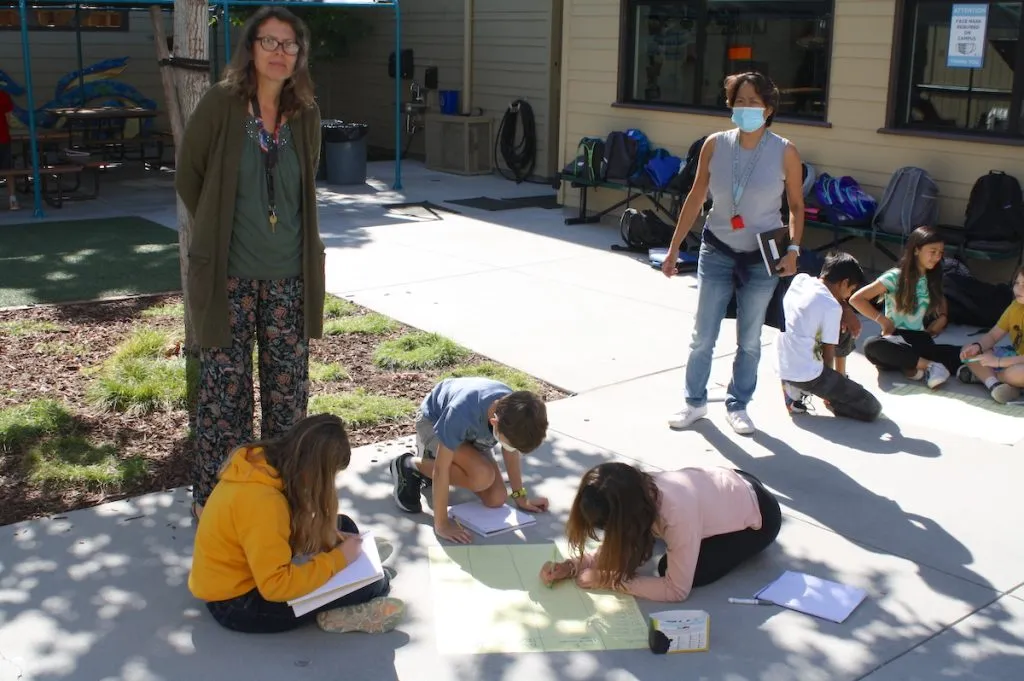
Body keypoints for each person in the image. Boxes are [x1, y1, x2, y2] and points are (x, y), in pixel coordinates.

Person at [175, 6, 327, 522]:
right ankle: (216, 503)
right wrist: (218, 226)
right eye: (270, 42)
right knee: (225, 398)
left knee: (288, 399)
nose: (280, 53)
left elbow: (304, 183)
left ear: (299, 55)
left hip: (290, 279)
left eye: (290, 44)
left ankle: (282, 499)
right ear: (251, 48)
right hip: (229, 279)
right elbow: (189, 174)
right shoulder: (222, 104)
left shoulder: (305, 113)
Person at [660, 71, 813, 436]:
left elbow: (796, 205)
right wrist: (674, 247)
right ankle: (694, 402)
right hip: (717, 249)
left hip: (761, 256)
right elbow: (696, 196)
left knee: (749, 340)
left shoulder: (785, 151)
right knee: (703, 335)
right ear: (730, 105)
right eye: (739, 101)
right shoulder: (715, 144)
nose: (746, 108)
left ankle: (738, 404)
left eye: (754, 102)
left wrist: (793, 249)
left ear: (768, 109)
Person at [188, 414, 404, 634]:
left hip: (244, 575)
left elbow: (278, 528)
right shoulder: (264, 503)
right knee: (375, 585)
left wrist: (329, 538)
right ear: (315, 474)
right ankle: (345, 603)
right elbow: (276, 586)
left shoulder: (262, 463)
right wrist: (338, 559)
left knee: (344, 525)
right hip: (238, 604)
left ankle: (358, 562)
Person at [539, 462, 781, 602]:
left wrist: (610, 580)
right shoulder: (630, 489)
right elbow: (625, 540)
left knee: (669, 568)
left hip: (759, 518)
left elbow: (676, 590)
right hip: (732, 480)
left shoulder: (676, 515)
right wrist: (574, 565)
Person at [388, 377, 549, 544]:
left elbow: (511, 452)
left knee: (496, 498)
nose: (510, 448)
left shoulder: (516, 414)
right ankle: (410, 464)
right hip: (434, 423)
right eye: (509, 444)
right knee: (481, 476)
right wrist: (442, 524)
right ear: (494, 422)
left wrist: (520, 497)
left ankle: (462, 463)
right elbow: (441, 470)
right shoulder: (461, 412)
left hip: (471, 437)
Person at [849, 226, 959, 389]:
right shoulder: (895, 276)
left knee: (963, 353)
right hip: (895, 337)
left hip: (920, 339)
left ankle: (913, 367)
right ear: (916, 250)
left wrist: (942, 317)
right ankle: (930, 366)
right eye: (933, 251)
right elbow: (857, 299)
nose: (937, 257)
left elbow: (941, 298)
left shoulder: (933, 277)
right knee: (872, 346)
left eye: (940, 253)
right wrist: (883, 321)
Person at [777, 250, 882, 421]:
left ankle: (794, 384)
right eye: (851, 290)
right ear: (844, 283)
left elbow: (829, 294)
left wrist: (845, 309)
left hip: (784, 360)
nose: (849, 296)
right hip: (808, 373)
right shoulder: (831, 307)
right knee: (872, 408)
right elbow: (828, 353)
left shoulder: (801, 280)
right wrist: (831, 391)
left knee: (842, 327)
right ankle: (802, 389)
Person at [957, 266, 1024, 404]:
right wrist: (978, 346)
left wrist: (997, 362)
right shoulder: (1015, 307)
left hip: (1018, 366)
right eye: (1017, 283)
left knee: (1016, 373)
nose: (1018, 289)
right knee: (968, 350)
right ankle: (996, 386)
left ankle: (986, 377)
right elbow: (993, 336)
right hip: (1015, 357)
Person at [0, 88, 18, 211]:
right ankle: (12, 198)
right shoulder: (3, 96)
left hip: (3, 138)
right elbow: (9, 119)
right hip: (3, 138)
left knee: (8, 169)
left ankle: (13, 199)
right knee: (8, 169)